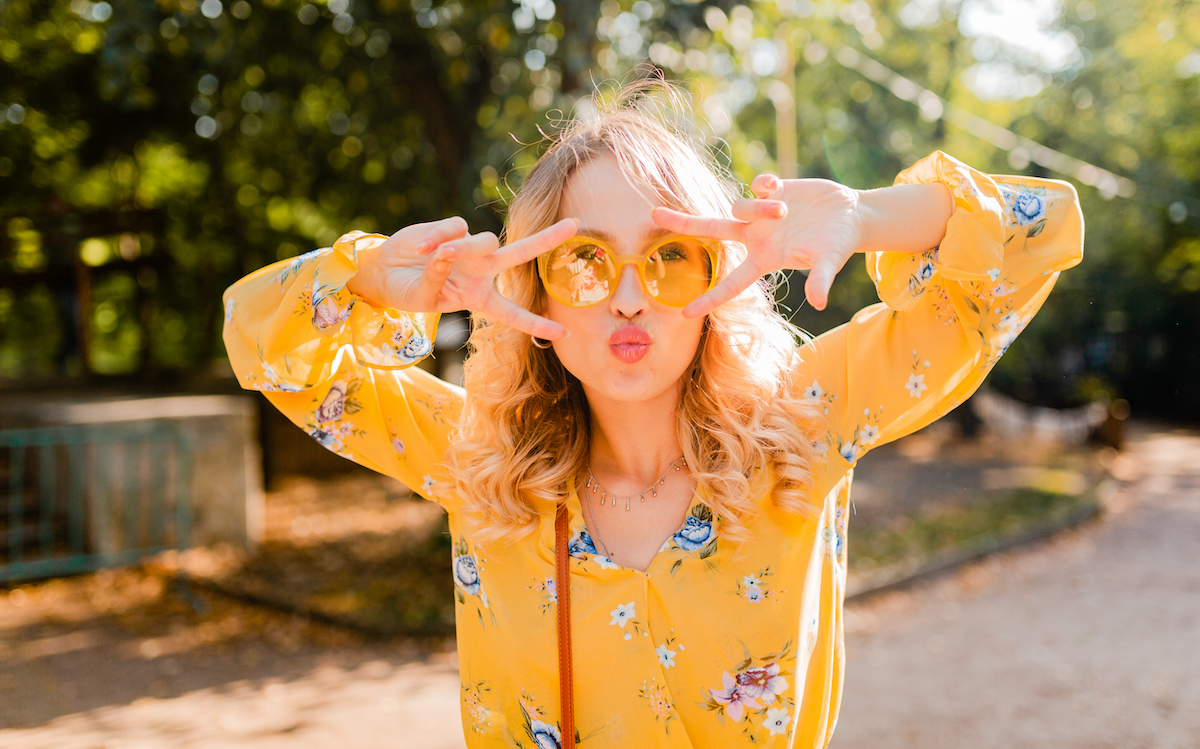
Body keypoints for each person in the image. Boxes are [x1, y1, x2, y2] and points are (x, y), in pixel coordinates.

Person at [222, 81, 1083, 748]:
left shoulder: (804, 426)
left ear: (717, 278)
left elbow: (1032, 236)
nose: (629, 299)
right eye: (586, 263)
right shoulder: (476, 458)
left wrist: (867, 218)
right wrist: (373, 278)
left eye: (669, 259)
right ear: (534, 286)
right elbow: (264, 348)